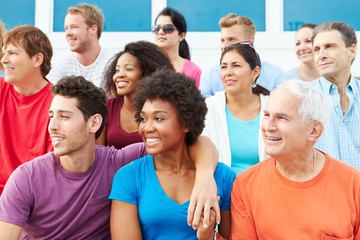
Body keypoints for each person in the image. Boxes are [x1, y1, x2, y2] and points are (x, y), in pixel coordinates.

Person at [0, 75, 221, 239]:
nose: (52, 127)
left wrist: (204, 178)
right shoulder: (26, 178)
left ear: (94, 123)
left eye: (64, 117)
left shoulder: (120, 163)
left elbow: (196, 141)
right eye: (51, 116)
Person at [109, 70, 236, 240]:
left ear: (186, 124)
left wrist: (206, 236)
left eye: (159, 119)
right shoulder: (129, 177)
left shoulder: (224, 177)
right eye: (143, 118)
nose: (147, 128)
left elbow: (232, 236)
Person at [230, 80, 360, 239]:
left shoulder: (353, 184)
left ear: (314, 131)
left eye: (281, 118)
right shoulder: (244, 186)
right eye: (267, 115)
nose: (268, 126)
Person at [0, 25, 53, 195]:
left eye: (12, 53)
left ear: (37, 59)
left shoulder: (59, 103)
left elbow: (52, 171)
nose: (4, 59)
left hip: (28, 198)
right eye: (4, 52)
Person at [202, 42, 269, 174]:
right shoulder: (208, 108)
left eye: (236, 66)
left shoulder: (272, 107)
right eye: (223, 67)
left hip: (264, 188)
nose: (228, 72)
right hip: (222, 189)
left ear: (255, 72)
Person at [96, 41, 174, 149]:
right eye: (117, 70)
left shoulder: (162, 109)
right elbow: (99, 153)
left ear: (147, 74)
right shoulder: (107, 107)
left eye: (129, 69)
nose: (119, 75)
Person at [311, 21, 360, 169]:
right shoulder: (303, 98)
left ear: (351, 51)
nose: (321, 55)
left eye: (329, 47)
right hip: (322, 190)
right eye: (317, 49)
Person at [200, 13, 285, 98]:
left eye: (232, 39)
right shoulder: (209, 76)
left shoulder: (275, 75)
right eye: (222, 40)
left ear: (250, 41)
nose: (225, 46)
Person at [46, 3, 115, 87]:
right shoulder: (61, 64)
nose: (68, 33)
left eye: (74, 27)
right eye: (66, 28)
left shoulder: (113, 62)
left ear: (93, 29)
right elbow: (48, 96)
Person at [153, 7, 202, 87]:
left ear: (182, 36)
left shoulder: (194, 71)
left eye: (168, 28)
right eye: (157, 28)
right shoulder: (146, 65)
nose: (161, 32)